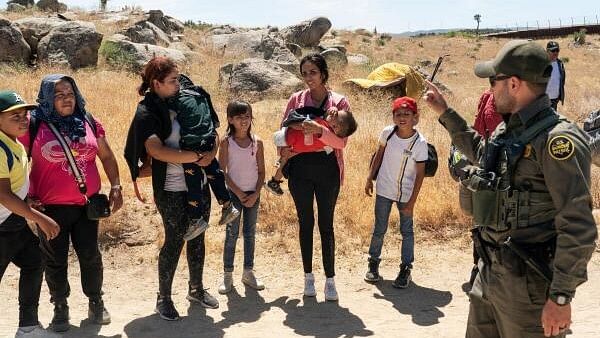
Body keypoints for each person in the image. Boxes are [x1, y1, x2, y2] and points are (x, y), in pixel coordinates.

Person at [424, 39, 597, 338]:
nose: (491, 89)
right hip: (489, 273)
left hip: (528, 287)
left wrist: (560, 297)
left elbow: (579, 227)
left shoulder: (558, 141)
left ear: (514, 84)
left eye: (494, 80)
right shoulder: (510, 128)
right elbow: (482, 152)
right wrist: (445, 112)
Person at [21, 75, 123, 332]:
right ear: (47, 97)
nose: (66, 99)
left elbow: (107, 156)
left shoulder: (88, 122)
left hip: (86, 205)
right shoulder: (34, 126)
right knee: (54, 259)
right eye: (58, 95)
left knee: (91, 255)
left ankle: (96, 300)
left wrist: (116, 185)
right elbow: (17, 162)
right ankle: (60, 305)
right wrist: (23, 197)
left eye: (70, 93)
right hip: (49, 208)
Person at [124, 56, 218, 321]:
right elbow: (155, 150)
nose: (179, 84)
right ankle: (163, 297)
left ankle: (196, 289)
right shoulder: (148, 111)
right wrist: (195, 157)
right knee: (175, 240)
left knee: (198, 235)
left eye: (179, 78)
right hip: (170, 186)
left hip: (198, 182)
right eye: (173, 80)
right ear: (156, 83)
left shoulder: (190, 97)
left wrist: (210, 152)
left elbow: (213, 131)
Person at [280, 53, 354, 301]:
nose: (309, 77)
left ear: (323, 73)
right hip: (300, 167)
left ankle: (330, 280)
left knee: (326, 225)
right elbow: (282, 132)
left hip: (327, 168)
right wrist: (284, 152)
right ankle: (308, 278)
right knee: (305, 223)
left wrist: (320, 131)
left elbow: (342, 142)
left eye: (313, 72)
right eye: (304, 73)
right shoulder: (295, 100)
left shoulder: (340, 102)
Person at [0, 91, 60, 337]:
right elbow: (3, 195)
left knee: (34, 261)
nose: (24, 120)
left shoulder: (13, 143)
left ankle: (28, 327)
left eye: (25, 115)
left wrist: (27, 201)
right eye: (15, 116)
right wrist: (39, 217)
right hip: (1, 226)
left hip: (12, 223)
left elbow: (12, 188)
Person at [363, 96, 427, 288]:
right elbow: (378, 155)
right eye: (398, 114)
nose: (402, 118)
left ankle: (405, 268)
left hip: (406, 194)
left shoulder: (420, 143)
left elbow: (420, 175)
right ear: (393, 116)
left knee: (407, 231)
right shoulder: (387, 133)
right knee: (379, 228)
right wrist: (369, 178)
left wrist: (412, 202)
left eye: (407, 114)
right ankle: (373, 264)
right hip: (384, 188)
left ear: (415, 117)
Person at [170, 74, 239, 241]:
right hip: (208, 140)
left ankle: (196, 219)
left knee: (193, 183)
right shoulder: (202, 94)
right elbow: (215, 124)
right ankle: (228, 205)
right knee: (214, 173)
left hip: (190, 144)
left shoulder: (175, 98)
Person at [217, 100, 266, 294]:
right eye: (239, 117)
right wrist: (238, 193)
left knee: (250, 234)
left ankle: (248, 272)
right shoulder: (226, 142)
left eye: (247, 117)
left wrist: (255, 194)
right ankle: (227, 275)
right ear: (230, 119)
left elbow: (262, 172)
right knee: (231, 234)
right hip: (234, 194)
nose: (244, 121)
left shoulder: (257, 142)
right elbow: (222, 172)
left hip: (253, 194)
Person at [265, 108, 357, 195]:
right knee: (284, 159)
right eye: (335, 113)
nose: (333, 115)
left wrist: (292, 152)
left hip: (291, 144)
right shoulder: (323, 125)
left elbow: (309, 147)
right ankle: (274, 181)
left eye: (335, 115)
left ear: (336, 127)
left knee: (284, 160)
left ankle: (274, 182)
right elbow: (326, 113)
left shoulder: (326, 137)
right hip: (288, 137)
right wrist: (333, 109)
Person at [545, 41, 565, 110]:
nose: (556, 52)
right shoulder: (542, 64)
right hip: (543, 99)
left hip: (555, 99)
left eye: (557, 50)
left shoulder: (560, 64)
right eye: (553, 50)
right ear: (547, 51)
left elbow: (562, 80)